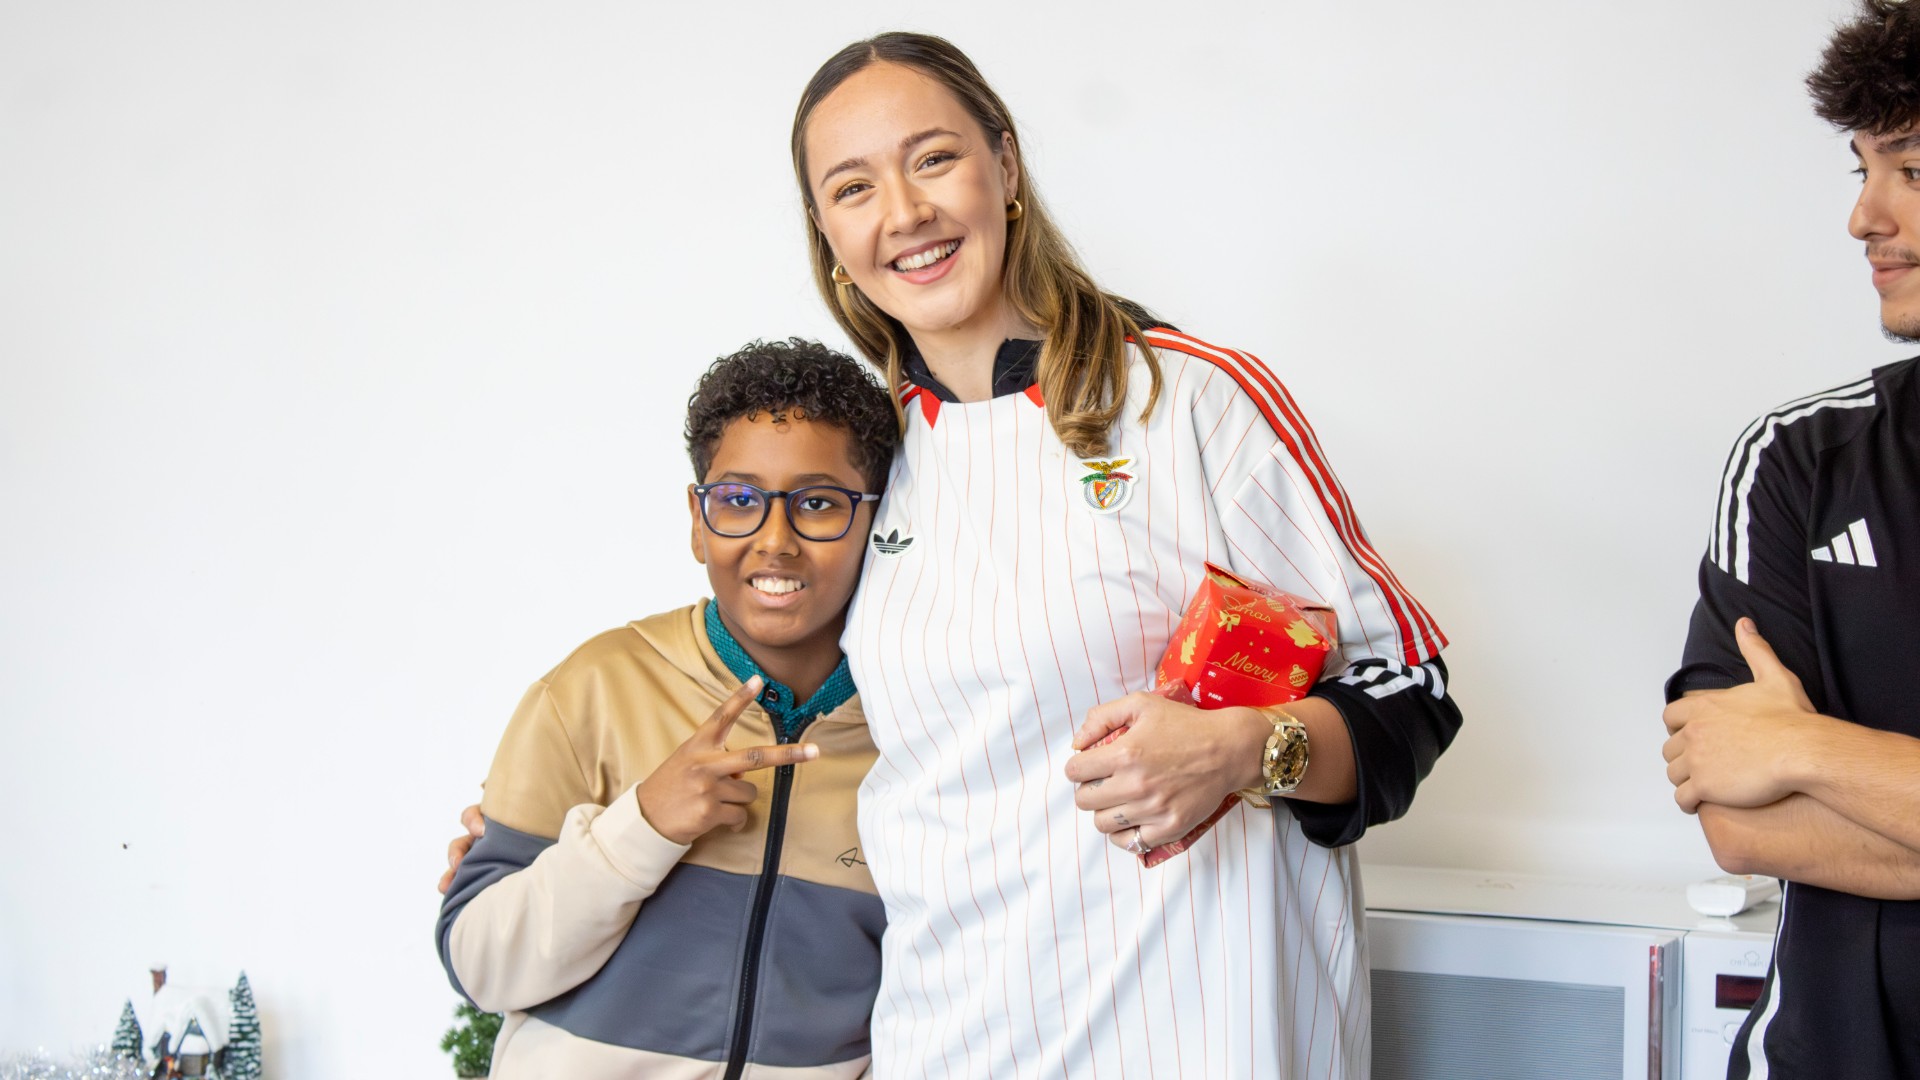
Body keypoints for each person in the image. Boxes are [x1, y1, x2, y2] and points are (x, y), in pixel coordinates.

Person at [794, 33, 1459, 1077]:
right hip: (949, 1042)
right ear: (829, 235)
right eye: (853, 187)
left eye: (934, 158)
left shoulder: (1192, 400)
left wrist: (1243, 749)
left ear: (1005, 167)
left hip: (1203, 1040)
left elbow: (1411, 688)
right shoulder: (864, 463)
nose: (905, 212)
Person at [435, 339, 899, 1078]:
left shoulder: (919, 730)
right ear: (697, 519)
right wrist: (643, 825)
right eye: (738, 500)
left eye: (818, 503)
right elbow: (480, 965)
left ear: (877, 519)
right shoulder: (593, 689)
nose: (774, 542)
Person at [1660, 4, 1920, 1076]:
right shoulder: (1798, 460)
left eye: (1911, 168)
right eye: (1861, 170)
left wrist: (1809, 750)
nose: (1864, 216)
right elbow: (1740, 820)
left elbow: (1771, 767)